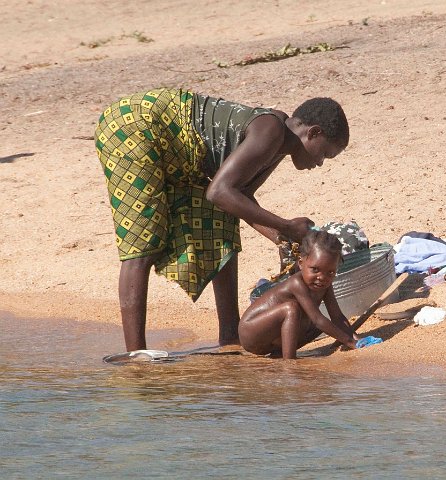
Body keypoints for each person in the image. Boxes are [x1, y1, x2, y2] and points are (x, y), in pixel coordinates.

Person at [95, 88, 349, 352]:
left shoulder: (279, 139)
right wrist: (286, 226)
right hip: (135, 126)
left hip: (175, 148)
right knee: (142, 241)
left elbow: (241, 196)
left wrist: (281, 239)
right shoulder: (270, 131)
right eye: (325, 154)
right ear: (314, 132)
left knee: (221, 221)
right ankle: (136, 356)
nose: (319, 163)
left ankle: (230, 336)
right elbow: (218, 192)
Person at [238, 230, 359, 359]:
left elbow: (337, 317)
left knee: (324, 326)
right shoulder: (296, 283)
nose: (322, 277)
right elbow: (317, 320)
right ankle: (290, 363)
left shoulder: (325, 286)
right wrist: (350, 342)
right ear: (301, 263)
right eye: (315, 269)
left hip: (272, 340)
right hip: (251, 333)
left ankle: (281, 354)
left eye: (330, 272)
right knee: (292, 308)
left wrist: (357, 339)